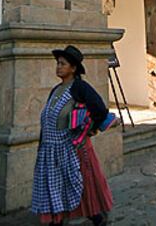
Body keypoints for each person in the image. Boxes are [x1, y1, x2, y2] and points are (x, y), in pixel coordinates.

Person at [31, 45, 113, 226]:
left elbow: (99, 109)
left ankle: (95, 216)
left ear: (73, 68)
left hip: (72, 149)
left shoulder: (80, 87)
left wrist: (90, 130)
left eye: (63, 64)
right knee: (56, 187)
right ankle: (57, 219)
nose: (58, 67)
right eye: (57, 63)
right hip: (51, 150)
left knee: (81, 185)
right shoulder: (56, 90)